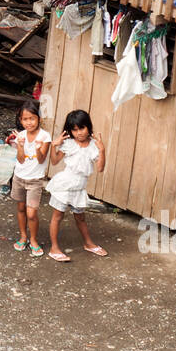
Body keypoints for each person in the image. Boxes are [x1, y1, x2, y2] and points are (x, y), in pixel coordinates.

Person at [46, 110, 107, 262]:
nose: (78, 133)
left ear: (88, 127)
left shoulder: (94, 145)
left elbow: (100, 168)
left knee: (80, 218)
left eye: (82, 128)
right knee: (57, 216)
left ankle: (88, 243)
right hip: (64, 186)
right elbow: (54, 161)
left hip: (79, 188)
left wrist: (102, 150)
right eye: (74, 129)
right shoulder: (68, 144)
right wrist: (54, 146)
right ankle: (54, 248)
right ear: (70, 131)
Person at [9, 100, 51, 257]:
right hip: (19, 177)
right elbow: (20, 159)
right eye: (25, 119)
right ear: (20, 120)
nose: (29, 122)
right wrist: (20, 145)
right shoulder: (21, 135)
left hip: (35, 180)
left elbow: (41, 160)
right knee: (20, 208)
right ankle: (23, 237)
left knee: (31, 213)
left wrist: (39, 149)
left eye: (32, 118)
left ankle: (33, 239)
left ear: (39, 118)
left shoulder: (45, 136)